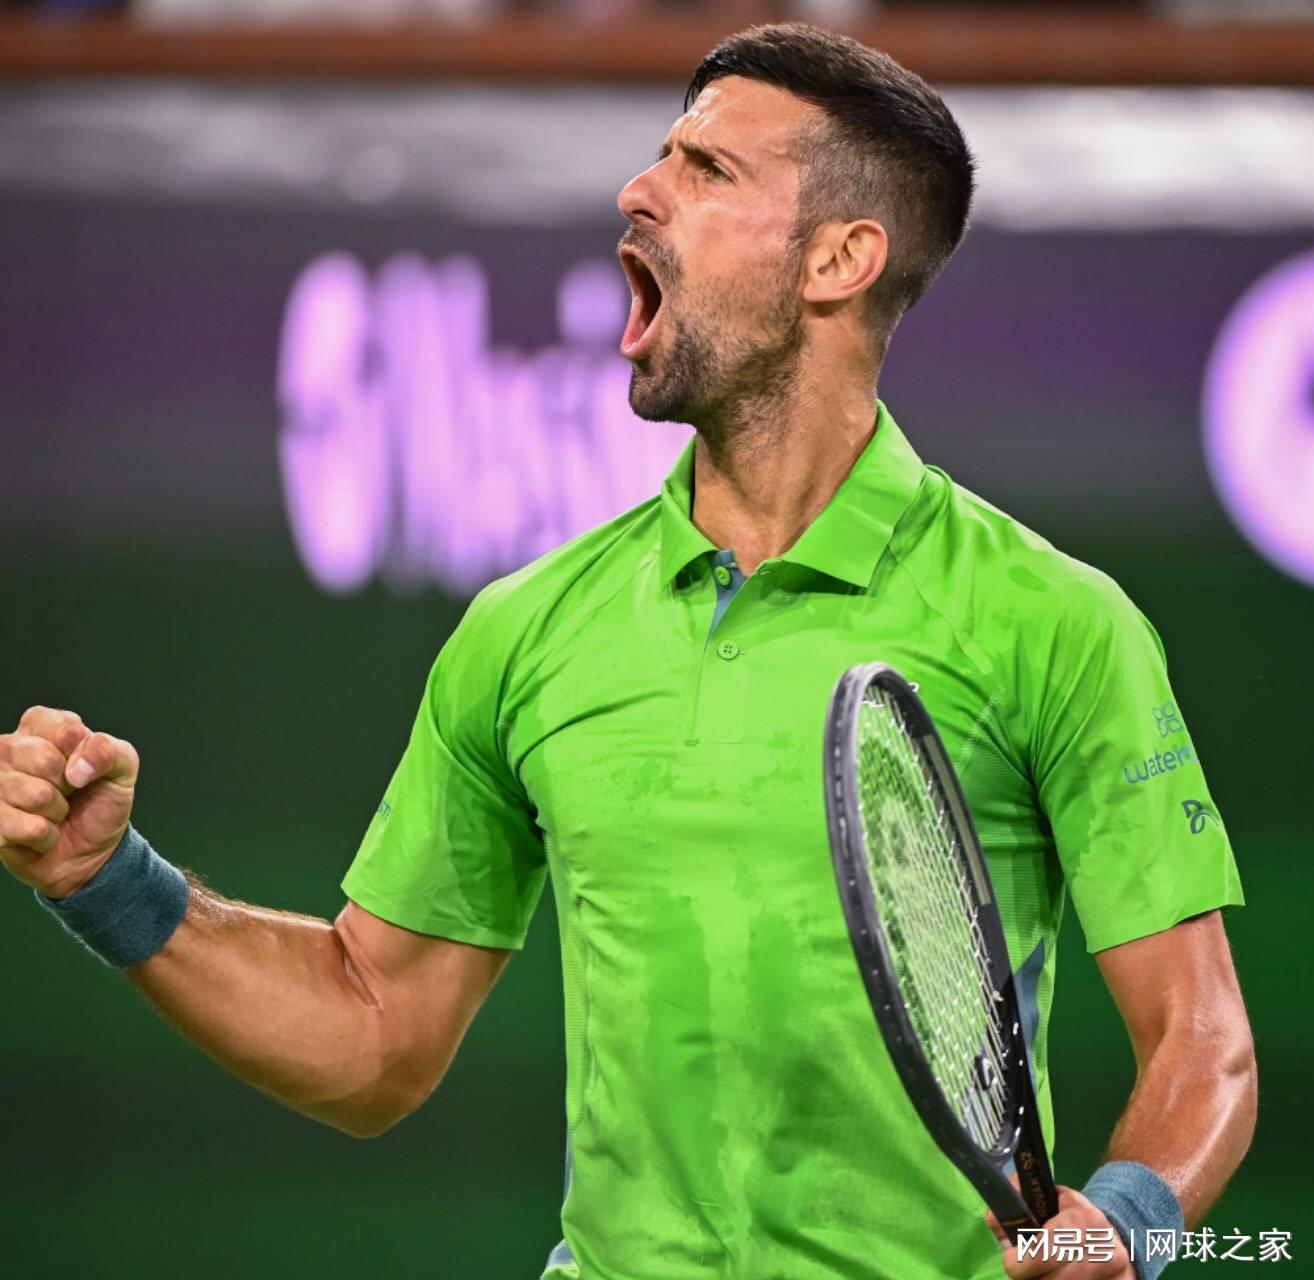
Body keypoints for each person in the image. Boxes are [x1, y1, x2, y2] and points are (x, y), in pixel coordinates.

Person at [0, 24, 1254, 1280]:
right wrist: (108, 879)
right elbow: (375, 1034)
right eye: (662, 155)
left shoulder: (1054, 621)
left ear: (840, 258)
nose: (638, 190)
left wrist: (1127, 1218)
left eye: (707, 170)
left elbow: (1203, 1040)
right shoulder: (530, 628)